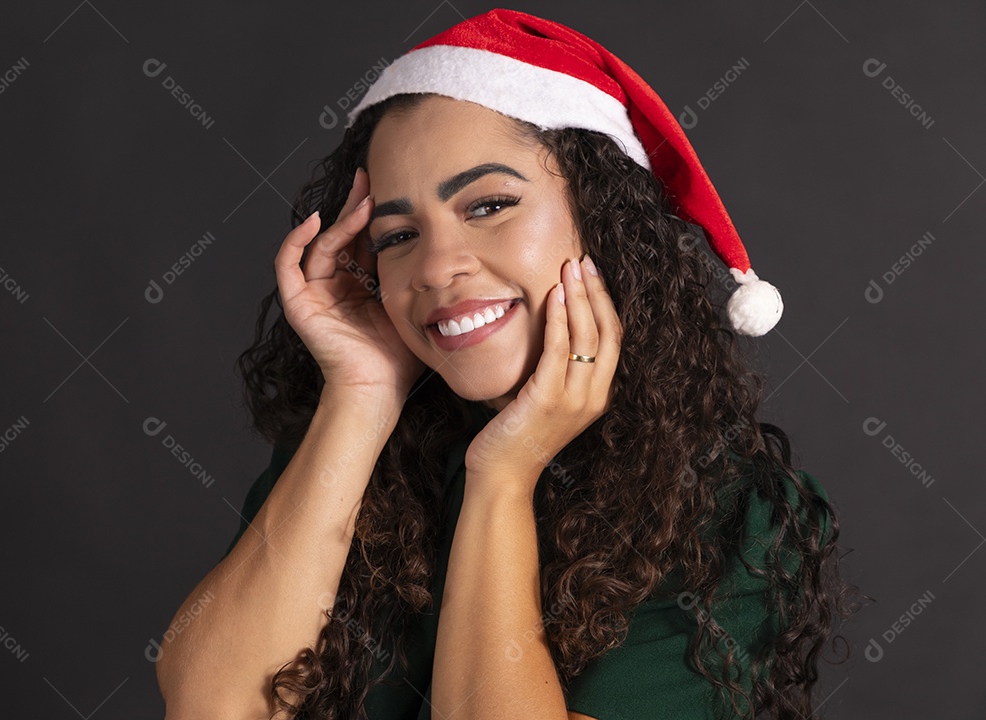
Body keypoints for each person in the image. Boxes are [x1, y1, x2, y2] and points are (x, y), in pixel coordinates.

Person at [156, 9, 858, 720]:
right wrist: (361, 395)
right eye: (398, 233)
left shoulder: (733, 517)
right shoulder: (356, 451)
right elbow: (213, 706)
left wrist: (504, 476)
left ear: (604, 221)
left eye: (489, 204)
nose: (434, 267)